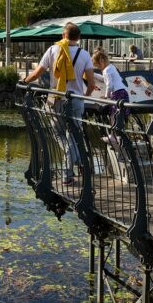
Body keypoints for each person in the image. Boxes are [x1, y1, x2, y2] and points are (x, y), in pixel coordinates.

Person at [22, 22, 96, 185]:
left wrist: (23, 81)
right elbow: (91, 83)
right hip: (76, 100)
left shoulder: (53, 50)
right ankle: (72, 168)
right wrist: (85, 95)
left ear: (63, 35)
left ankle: (71, 168)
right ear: (79, 37)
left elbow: (36, 74)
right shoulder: (84, 54)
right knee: (73, 134)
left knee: (57, 133)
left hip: (55, 98)